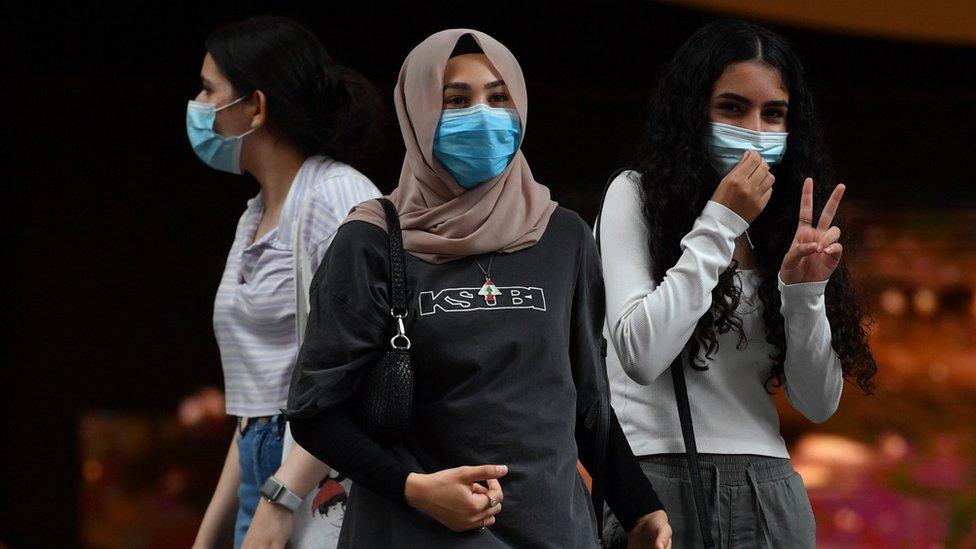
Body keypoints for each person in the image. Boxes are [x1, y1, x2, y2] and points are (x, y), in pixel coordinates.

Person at [285, 29, 673, 548]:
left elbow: (586, 405)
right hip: (414, 532)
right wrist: (415, 489)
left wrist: (640, 507)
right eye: (456, 100)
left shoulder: (564, 237)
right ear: (418, 113)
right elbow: (315, 414)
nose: (483, 115)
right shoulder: (373, 240)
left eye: (498, 97)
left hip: (553, 529)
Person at [597, 19, 878, 548]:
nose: (755, 129)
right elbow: (639, 352)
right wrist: (719, 223)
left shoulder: (783, 225)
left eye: (773, 114)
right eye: (732, 108)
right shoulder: (635, 196)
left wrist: (804, 294)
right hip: (657, 480)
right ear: (692, 112)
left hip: (769, 486)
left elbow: (818, 402)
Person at [187, 16, 383, 549]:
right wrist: (210, 534)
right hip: (265, 464)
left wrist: (281, 501)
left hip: (313, 477)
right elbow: (257, 405)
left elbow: (363, 365)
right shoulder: (254, 215)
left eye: (208, 90)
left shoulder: (336, 196)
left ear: (255, 106)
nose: (197, 106)